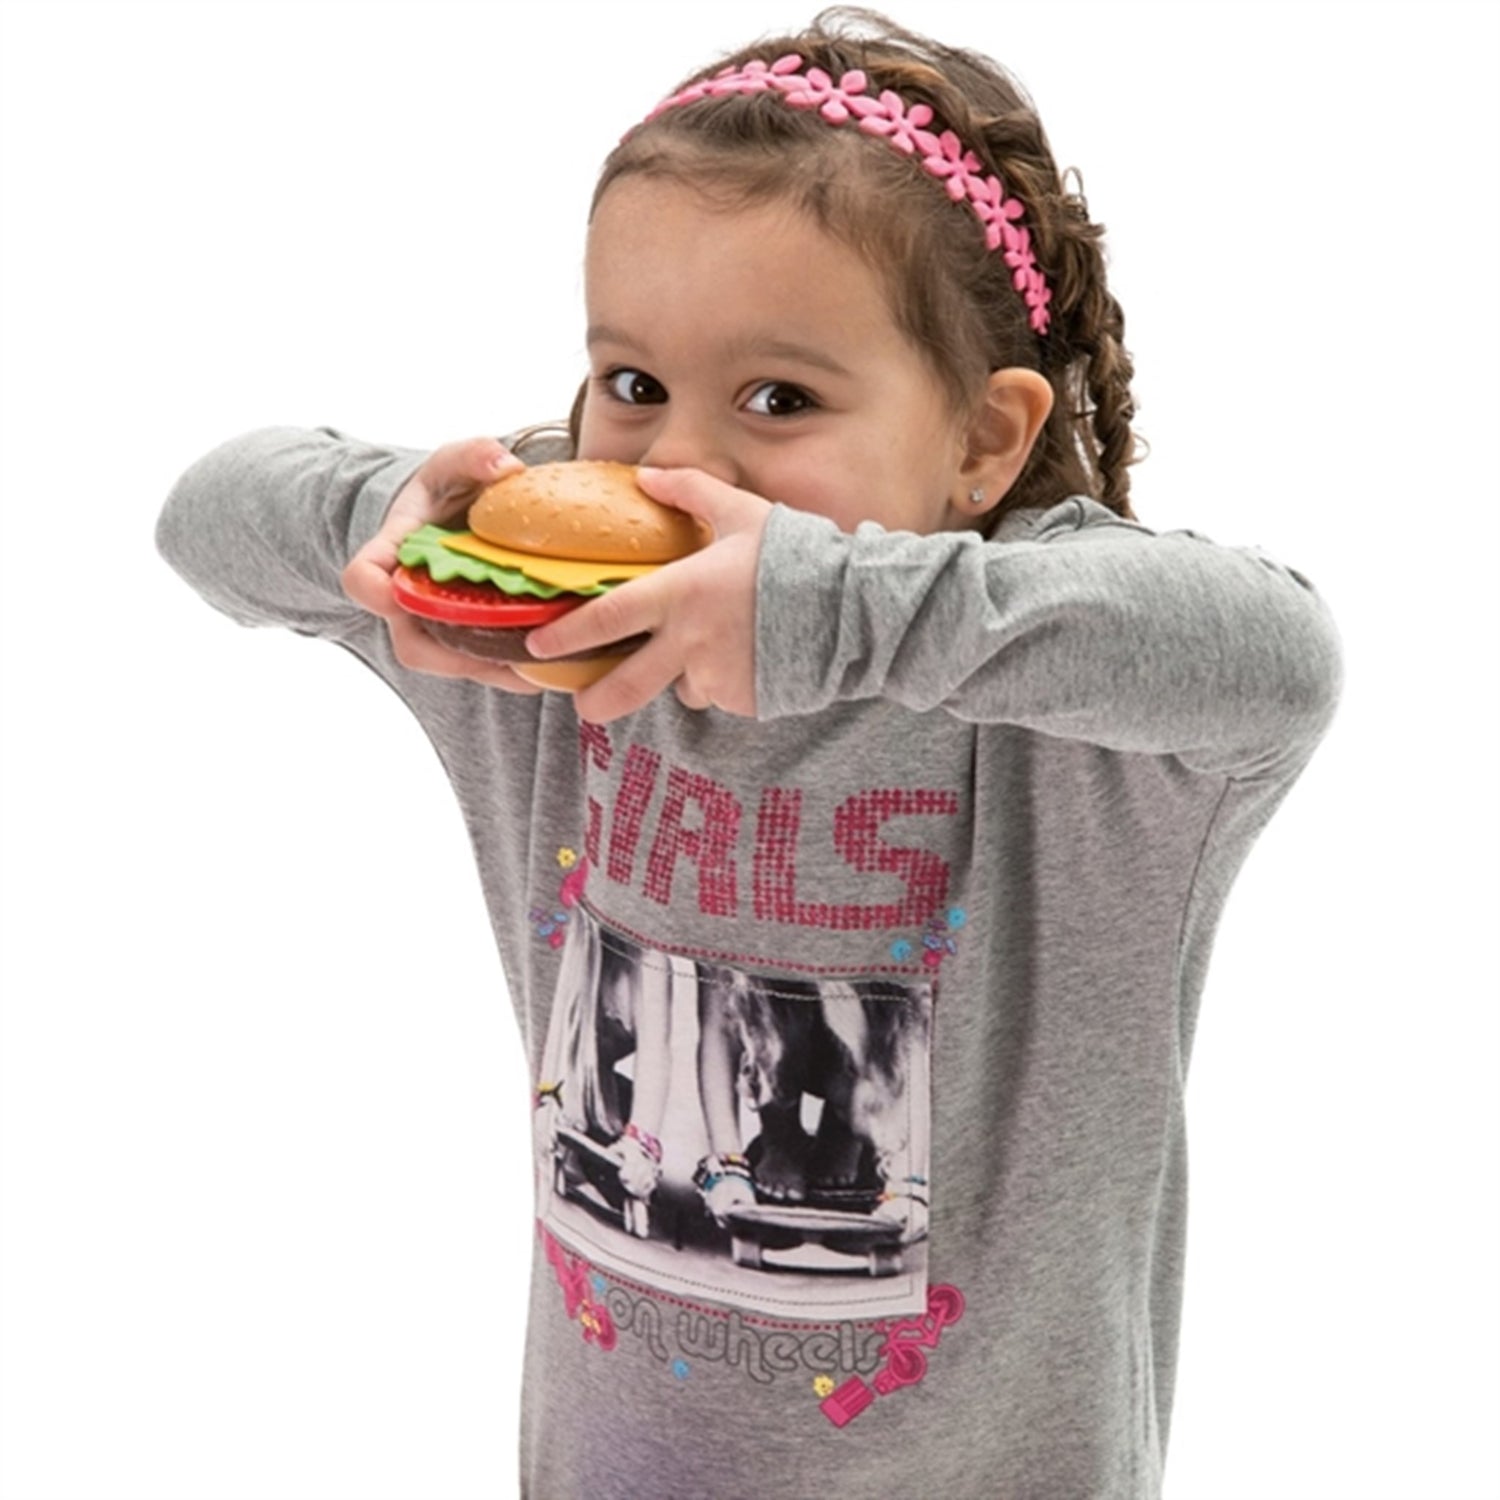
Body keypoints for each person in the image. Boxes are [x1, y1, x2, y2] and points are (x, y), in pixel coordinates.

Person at [155, 8, 1342, 1496]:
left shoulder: (1066, 708)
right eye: (634, 385)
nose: (677, 464)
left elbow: (1280, 657)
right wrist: (411, 533)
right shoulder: (547, 662)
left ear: (983, 442)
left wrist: (832, 610)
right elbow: (207, 513)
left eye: (780, 399)